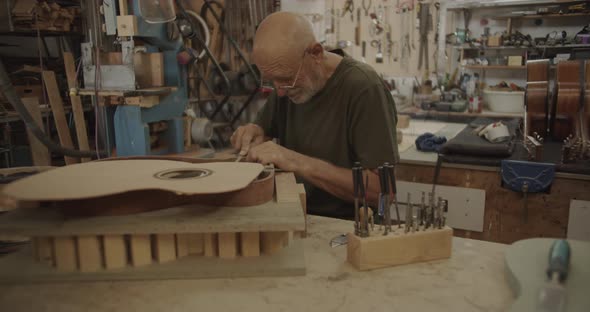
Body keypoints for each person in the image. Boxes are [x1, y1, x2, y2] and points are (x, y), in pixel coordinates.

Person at [231, 12, 398, 218]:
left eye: (286, 79)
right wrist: (255, 133)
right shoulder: (285, 84)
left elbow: (384, 192)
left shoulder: (364, 88)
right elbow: (264, 136)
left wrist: (295, 161)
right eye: (270, 81)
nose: (280, 91)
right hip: (295, 213)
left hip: (351, 227)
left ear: (316, 54)